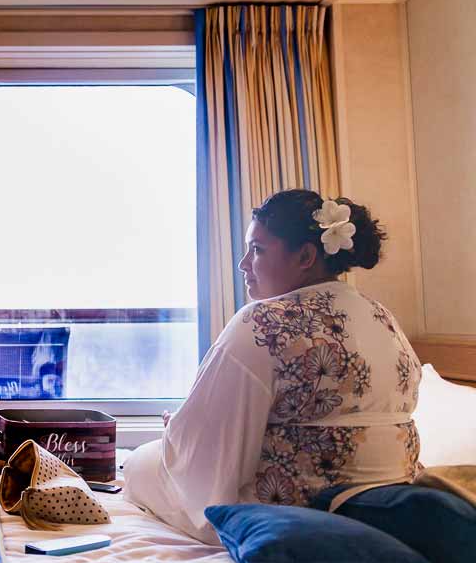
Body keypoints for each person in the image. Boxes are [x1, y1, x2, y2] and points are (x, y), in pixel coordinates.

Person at [124, 189, 422, 544]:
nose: (243, 264)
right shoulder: (381, 316)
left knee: (139, 462)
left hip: (293, 511)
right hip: (384, 503)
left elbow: (203, 460)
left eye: (258, 250)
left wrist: (178, 432)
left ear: (306, 256)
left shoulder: (263, 323)